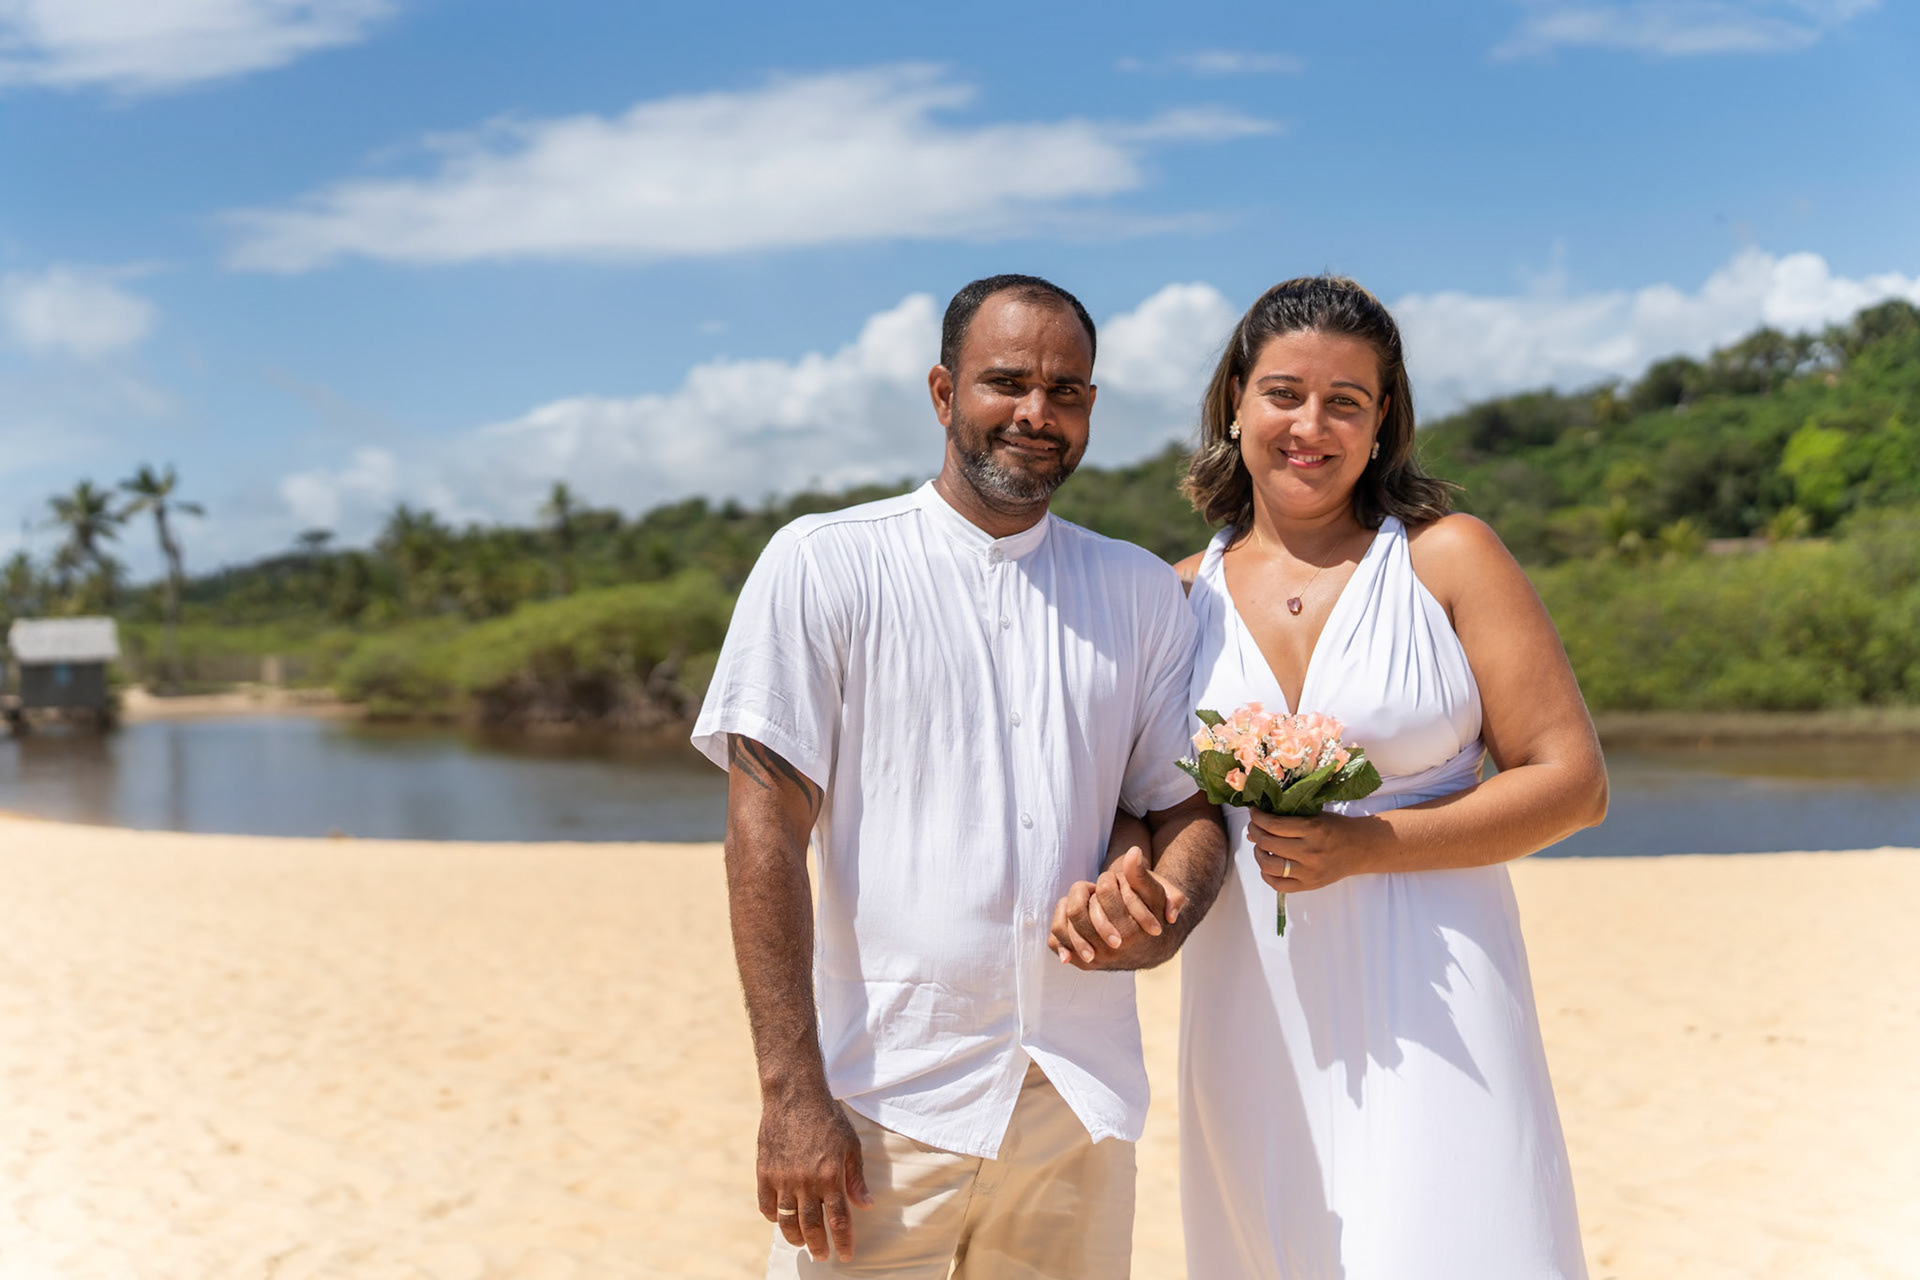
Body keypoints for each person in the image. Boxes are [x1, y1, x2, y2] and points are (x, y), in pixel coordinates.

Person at [691, 273, 1228, 1278]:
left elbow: (1183, 807)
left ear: (1092, 411)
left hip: (1079, 1101)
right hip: (881, 1104)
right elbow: (763, 834)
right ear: (943, 393)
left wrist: (1165, 911)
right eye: (1007, 382)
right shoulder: (823, 564)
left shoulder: (1143, 592)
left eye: (1065, 391)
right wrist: (790, 1094)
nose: (1037, 411)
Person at [1175, 275, 1603, 1278]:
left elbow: (1573, 780)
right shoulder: (1177, 595)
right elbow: (1166, 810)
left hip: (1439, 988)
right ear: (1237, 399)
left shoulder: (1449, 559)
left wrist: (1372, 847)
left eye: (1345, 401)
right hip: (1254, 1003)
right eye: (1284, 392)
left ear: (1383, 422)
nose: (1308, 425)